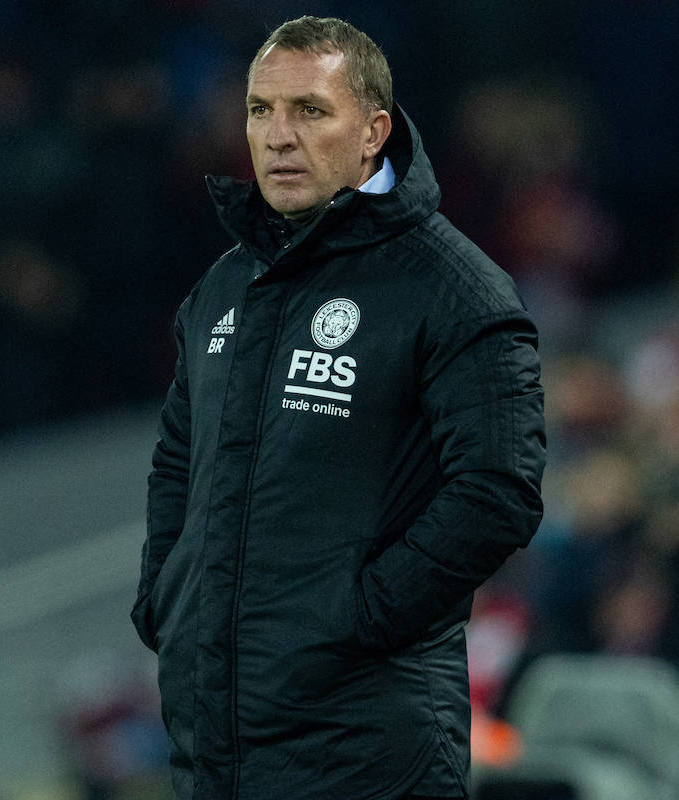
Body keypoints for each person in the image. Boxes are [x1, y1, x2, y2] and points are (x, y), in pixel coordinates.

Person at [131, 16, 546, 800]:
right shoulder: (224, 287)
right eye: (261, 110)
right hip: (215, 743)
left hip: (369, 749)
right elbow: (177, 460)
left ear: (373, 131)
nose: (278, 136)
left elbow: (498, 489)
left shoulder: (455, 289)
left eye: (309, 111)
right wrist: (168, 600)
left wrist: (361, 620)